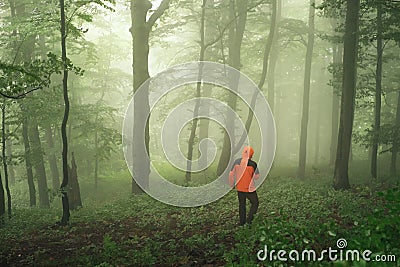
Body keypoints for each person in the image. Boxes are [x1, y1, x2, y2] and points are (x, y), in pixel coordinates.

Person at [229, 146, 260, 226]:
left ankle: (242, 222)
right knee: (255, 203)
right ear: (251, 154)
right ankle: (249, 221)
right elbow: (257, 177)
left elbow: (231, 174)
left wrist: (232, 185)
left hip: (240, 188)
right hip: (250, 189)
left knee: (242, 204)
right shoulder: (253, 164)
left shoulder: (236, 162)